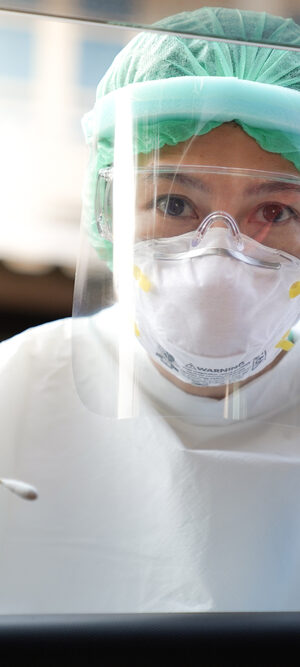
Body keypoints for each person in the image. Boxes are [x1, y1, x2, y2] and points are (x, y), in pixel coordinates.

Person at [1, 6, 300, 613]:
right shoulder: (15, 395)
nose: (221, 254)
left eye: (275, 212)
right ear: (105, 209)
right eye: (173, 201)